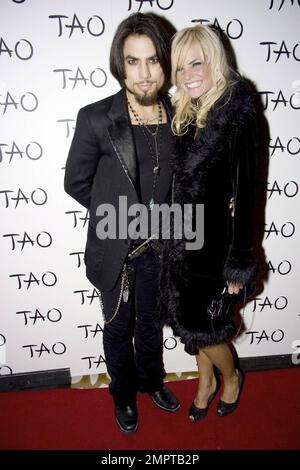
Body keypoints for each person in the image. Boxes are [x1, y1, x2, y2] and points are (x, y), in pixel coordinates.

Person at [64, 13, 180, 434]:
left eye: (153, 61)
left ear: (165, 62)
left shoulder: (180, 116)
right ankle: (123, 395)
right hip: (116, 250)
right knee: (117, 328)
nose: (145, 74)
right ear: (120, 64)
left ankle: (151, 382)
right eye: (133, 62)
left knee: (150, 324)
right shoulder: (96, 118)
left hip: (162, 249)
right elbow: (76, 182)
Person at [159, 24, 257, 421]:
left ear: (215, 61)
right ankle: (205, 384)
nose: (186, 76)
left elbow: (247, 194)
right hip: (183, 243)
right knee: (189, 325)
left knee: (207, 327)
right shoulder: (185, 112)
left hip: (217, 248)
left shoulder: (237, 115)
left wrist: (239, 262)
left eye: (195, 63)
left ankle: (230, 378)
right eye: (179, 68)